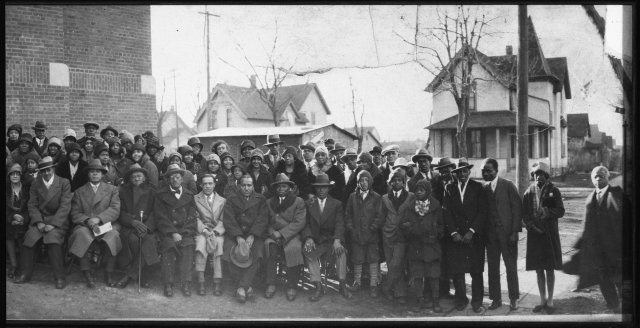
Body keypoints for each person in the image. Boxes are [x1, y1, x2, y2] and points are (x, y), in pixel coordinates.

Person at [568, 165, 631, 314]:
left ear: (608, 178)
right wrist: (579, 243)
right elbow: (586, 224)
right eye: (595, 176)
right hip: (597, 249)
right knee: (602, 279)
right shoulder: (590, 198)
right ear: (591, 179)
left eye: (602, 175)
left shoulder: (616, 193)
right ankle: (614, 306)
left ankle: (628, 306)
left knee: (619, 279)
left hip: (615, 248)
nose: (598, 178)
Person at [14, 158, 72, 289]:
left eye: (48, 170)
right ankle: (25, 273)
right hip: (40, 220)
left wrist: (54, 224)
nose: (46, 173)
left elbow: (65, 207)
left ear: (53, 169)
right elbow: (32, 205)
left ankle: (60, 277)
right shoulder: (36, 183)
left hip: (58, 221)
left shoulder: (63, 183)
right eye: (43, 171)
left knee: (53, 240)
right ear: (40, 172)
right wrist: (39, 222)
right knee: (30, 237)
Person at [442, 158, 488, 313]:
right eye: (458, 172)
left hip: (473, 237)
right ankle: (461, 299)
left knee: (476, 270)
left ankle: (476, 301)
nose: (462, 174)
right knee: (457, 270)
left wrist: (471, 231)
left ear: (469, 172)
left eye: (464, 171)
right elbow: (446, 212)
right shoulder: (449, 187)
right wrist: (454, 232)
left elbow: (483, 212)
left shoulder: (478, 187)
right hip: (456, 237)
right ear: (454, 173)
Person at [68, 158, 122, 288]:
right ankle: (87, 273)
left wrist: (99, 219)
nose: (95, 174)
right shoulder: (79, 191)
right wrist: (88, 221)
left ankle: (108, 273)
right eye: (92, 171)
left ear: (103, 174)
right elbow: (75, 213)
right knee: (81, 234)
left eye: (98, 171)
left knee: (113, 236)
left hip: (106, 225)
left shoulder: (112, 189)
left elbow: (115, 209)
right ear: (88, 174)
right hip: (87, 225)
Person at [522, 162, 565, 314]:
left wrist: (547, 213)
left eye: (541, 174)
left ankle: (551, 301)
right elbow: (525, 214)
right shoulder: (528, 193)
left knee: (549, 268)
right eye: (535, 174)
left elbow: (560, 210)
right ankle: (542, 300)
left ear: (546, 176)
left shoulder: (554, 191)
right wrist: (531, 226)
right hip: (535, 236)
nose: (538, 177)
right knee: (539, 268)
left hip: (549, 235)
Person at [302, 173, 353, 301]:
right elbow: (305, 223)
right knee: (308, 251)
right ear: (315, 188)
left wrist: (337, 240)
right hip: (316, 239)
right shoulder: (309, 203)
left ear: (329, 188)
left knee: (341, 251)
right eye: (318, 187)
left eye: (324, 187)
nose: (321, 190)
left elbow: (340, 223)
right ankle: (318, 286)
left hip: (331, 239)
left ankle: (342, 284)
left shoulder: (336, 204)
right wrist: (308, 237)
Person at [480, 158, 522, 311]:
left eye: (489, 170)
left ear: (496, 171)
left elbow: (517, 209)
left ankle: (513, 299)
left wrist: (514, 232)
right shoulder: (483, 189)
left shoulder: (508, 185)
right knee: (492, 268)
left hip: (507, 234)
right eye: (483, 170)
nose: (486, 173)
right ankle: (496, 299)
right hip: (491, 237)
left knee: (511, 267)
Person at [222, 174, 269, 303]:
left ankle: (242, 288)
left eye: (249, 185)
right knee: (228, 252)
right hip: (235, 234)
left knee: (257, 252)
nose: (246, 188)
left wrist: (252, 235)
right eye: (244, 185)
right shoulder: (231, 199)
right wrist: (238, 237)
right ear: (239, 186)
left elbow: (263, 219)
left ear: (253, 186)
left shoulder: (261, 199)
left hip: (254, 235)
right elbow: (229, 219)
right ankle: (246, 287)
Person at [400, 180, 444, 313]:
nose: (418, 192)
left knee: (434, 275)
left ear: (428, 191)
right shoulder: (410, 206)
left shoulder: (436, 206)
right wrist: (413, 231)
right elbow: (404, 225)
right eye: (416, 189)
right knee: (417, 274)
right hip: (416, 246)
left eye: (422, 189)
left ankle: (435, 300)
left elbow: (442, 225)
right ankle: (419, 300)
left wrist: (436, 234)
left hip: (432, 246)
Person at [155, 164, 198, 297]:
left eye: (177, 177)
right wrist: (173, 233)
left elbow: (192, 218)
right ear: (167, 179)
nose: (175, 179)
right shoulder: (160, 195)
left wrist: (182, 233)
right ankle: (168, 284)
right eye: (171, 177)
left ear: (182, 179)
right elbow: (160, 217)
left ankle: (186, 283)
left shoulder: (190, 195)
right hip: (168, 231)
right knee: (168, 247)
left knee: (188, 246)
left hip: (185, 231)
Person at [114, 164, 160, 289]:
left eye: (139, 176)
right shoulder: (123, 192)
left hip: (147, 228)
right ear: (130, 179)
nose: (136, 179)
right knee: (134, 241)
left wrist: (146, 227)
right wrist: (133, 222)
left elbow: (156, 212)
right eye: (133, 176)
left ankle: (130, 276)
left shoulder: (152, 192)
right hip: (130, 227)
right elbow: (120, 211)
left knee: (149, 241)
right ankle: (142, 275)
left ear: (144, 178)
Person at [264, 174, 307, 301]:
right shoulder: (268, 202)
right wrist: (273, 233)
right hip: (273, 235)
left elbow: (299, 222)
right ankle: (270, 284)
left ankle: (292, 285)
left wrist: (281, 234)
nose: (281, 189)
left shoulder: (298, 201)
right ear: (275, 189)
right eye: (278, 186)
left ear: (289, 188)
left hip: (291, 236)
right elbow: (264, 221)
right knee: (268, 247)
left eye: (284, 186)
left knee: (294, 248)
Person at [344, 170, 383, 298]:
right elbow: (348, 214)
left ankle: (373, 284)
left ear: (370, 181)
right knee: (357, 258)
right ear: (358, 182)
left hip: (372, 235)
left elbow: (379, 215)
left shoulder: (376, 197)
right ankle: (357, 282)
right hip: (357, 234)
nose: (364, 183)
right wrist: (351, 228)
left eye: (366, 180)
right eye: (361, 180)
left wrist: (373, 227)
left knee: (373, 259)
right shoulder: (352, 197)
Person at [379, 168, 414, 304]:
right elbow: (381, 216)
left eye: (399, 180)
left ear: (403, 182)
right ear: (390, 182)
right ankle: (400, 294)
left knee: (397, 263)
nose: (396, 182)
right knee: (390, 262)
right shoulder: (385, 197)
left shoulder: (410, 196)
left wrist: (408, 224)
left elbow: (412, 214)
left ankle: (386, 286)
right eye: (394, 180)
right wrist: (382, 228)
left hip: (402, 235)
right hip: (387, 234)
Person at [193, 174, 226, 296]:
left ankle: (217, 280)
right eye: (205, 184)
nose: (207, 186)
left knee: (219, 244)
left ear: (214, 185)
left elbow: (223, 219)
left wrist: (216, 232)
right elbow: (195, 218)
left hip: (217, 231)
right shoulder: (195, 199)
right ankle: (200, 279)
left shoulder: (222, 200)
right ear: (201, 185)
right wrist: (205, 231)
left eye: (210, 183)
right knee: (200, 243)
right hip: (202, 230)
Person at [431, 157, 457, 299]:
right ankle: (441, 290)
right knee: (440, 257)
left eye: (447, 170)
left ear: (452, 169)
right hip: (440, 223)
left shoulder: (456, 181)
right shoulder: (435, 182)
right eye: (442, 171)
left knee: (451, 258)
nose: (445, 173)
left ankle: (452, 290)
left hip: (453, 224)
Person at [6, 164, 31, 279]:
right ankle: (13, 264)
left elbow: (30, 206)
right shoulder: (6, 189)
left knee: (23, 234)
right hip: (9, 219)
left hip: (24, 220)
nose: (15, 176)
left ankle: (22, 265)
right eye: (12, 174)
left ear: (21, 176)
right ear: (9, 176)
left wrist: (23, 218)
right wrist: (12, 217)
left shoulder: (27, 189)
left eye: (17, 174)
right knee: (8, 233)